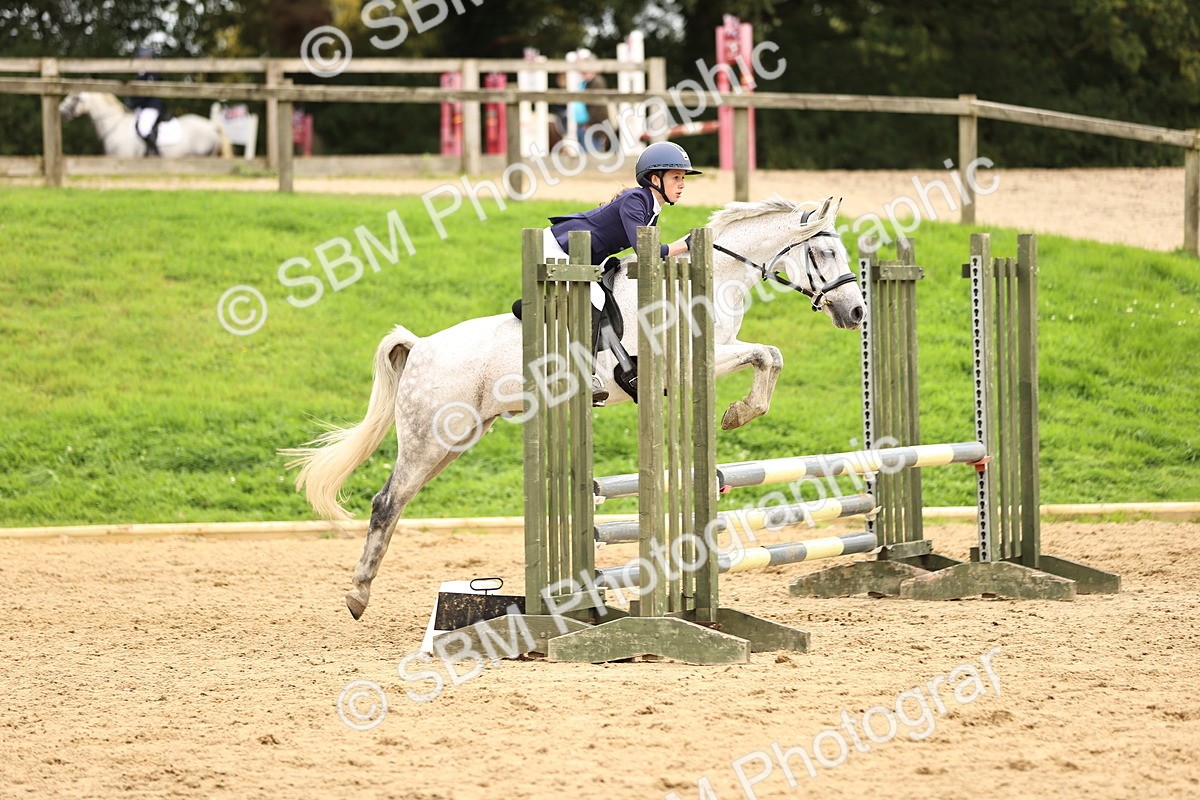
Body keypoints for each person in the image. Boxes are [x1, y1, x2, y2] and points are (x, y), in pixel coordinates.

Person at [543, 141, 702, 404]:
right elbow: (648, 251)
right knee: (593, 295)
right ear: (655, 179)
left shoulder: (651, 208)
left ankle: (621, 365)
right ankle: (583, 377)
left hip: (585, 255)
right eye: (676, 177)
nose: (682, 184)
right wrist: (685, 244)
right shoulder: (636, 200)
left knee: (604, 292)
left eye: (683, 178)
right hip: (558, 246)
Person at [125, 45, 172, 156]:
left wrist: (132, 103)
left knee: (144, 128)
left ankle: (155, 153)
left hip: (152, 106)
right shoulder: (142, 73)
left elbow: (145, 93)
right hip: (142, 106)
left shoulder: (152, 74)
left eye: (142, 58)